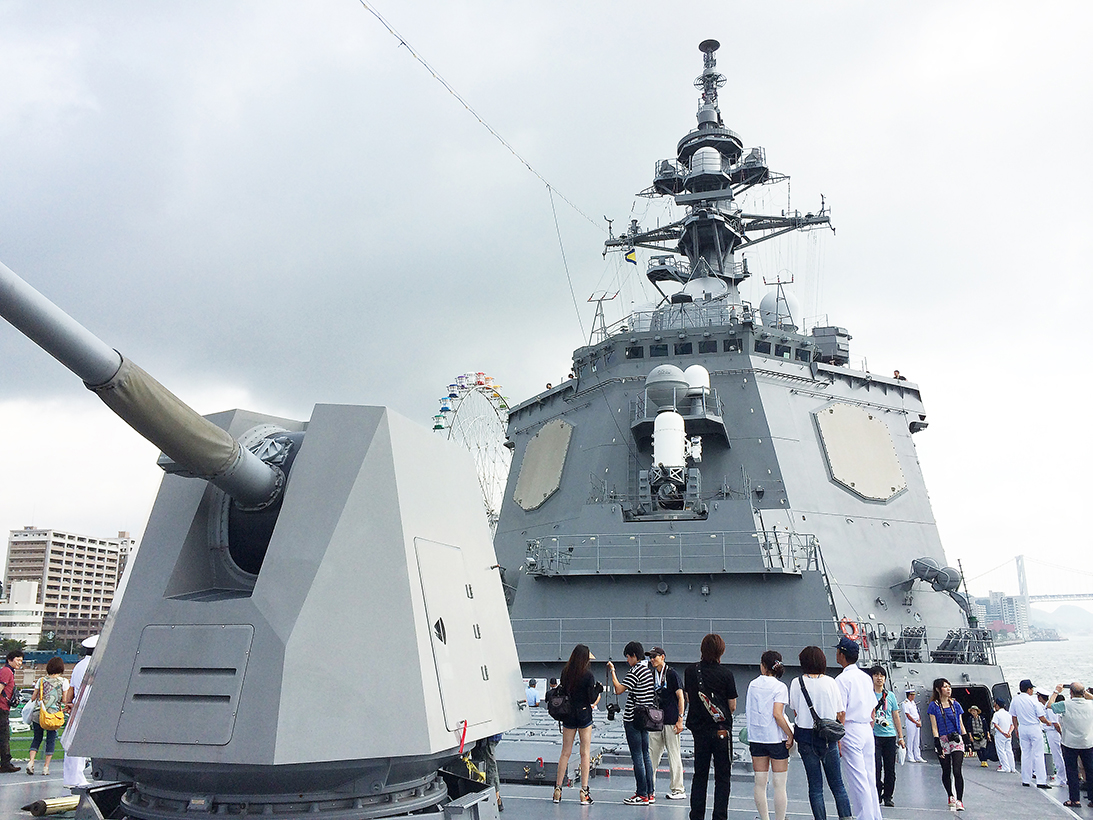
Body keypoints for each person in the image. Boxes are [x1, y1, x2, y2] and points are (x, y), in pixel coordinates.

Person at [787, 645, 852, 820]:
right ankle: (846, 817)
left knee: (815, 787)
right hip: (828, 737)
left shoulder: (796, 682)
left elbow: (795, 710)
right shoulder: (831, 682)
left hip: (805, 737)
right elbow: (840, 713)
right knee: (838, 785)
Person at [684, 633, 738, 820]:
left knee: (700, 775)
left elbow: (689, 698)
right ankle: (719, 816)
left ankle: (696, 815)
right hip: (721, 731)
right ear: (721, 651)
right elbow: (732, 705)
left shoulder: (690, 671)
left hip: (699, 731)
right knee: (723, 777)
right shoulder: (727, 674)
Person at [833, 636, 881, 820]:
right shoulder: (866, 678)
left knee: (857, 779)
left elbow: (841, 712)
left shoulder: (841, 679)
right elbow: (872, 708)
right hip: (866, 728)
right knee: (869, 777)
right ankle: (875, 816)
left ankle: (864, 817)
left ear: (842, 654)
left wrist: (838, 738)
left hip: (850, 729)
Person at [552, 644, 602, 805]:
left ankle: (557, 790)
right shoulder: (588, 675)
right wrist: (598, 689)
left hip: (568, 714)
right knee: (584, 753)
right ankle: (584, 792)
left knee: (565, 752)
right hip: (584, 714)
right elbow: (591, 699)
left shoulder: (565, 672)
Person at [608, 641, 656, 805]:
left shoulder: (635, 671)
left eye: (628, 657)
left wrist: (613, 671)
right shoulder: (648, 671)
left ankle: (641, 794)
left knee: (637, 757)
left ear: (634, 656)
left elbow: (619, 689)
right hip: (645, 719)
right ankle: (650, 792)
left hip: (633, 719)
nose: (628, 661)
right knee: (646, 755)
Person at [747, 650, 793, 820]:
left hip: (756, 738)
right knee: (779, 784)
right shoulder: (780, 687)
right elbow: (777, 715)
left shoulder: (752, 685)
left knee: (760, 782)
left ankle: (764, 818)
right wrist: (790, 734)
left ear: (763, 666)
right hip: (776, 739)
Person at [646, 647, 686, 801]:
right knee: (651, 756)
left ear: (662, 657)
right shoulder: (651, 674)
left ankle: (678, 789)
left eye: (654, 656)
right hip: (655, 720)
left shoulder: (671, 674)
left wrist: (680, 719)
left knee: (674, 755)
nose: (652, 659)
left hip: (671, 720)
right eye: (650, 657)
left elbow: (681, 697)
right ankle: (649, 789)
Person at [1047, 681, 1093, 808]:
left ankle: (1074, 800)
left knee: (1072, 771)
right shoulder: (1090, 704)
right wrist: (1086, 694)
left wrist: (1056, 691)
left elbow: (1050, 705)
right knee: (1090, 771)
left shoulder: (1065, 704)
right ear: (1083, 693)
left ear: (1070, 692)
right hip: (1088, 743)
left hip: (1070, 743)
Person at [927, 677, 969, 811]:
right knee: (946, 770)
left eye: (949, 686)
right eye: (945, 687)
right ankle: (950, 794)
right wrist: (937, 743)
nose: (948, 689)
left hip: (956, 739)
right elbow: (934, 726)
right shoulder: (933, 706)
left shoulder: (955, 704)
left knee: (957, 770)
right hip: (943, 740)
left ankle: (959, 800)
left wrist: (966, 740)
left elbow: (960, 723)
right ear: (938, 689)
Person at [62, 634, 97, 789]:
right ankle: (77, 778)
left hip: (77, 706)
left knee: (73, 742)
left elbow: (71, 689)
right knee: (81, 743)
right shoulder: (95, 665)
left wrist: (68, 704)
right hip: (88, 707)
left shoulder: (78, 665)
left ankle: (71, 778)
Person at [27, 656, 68, 776]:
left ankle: (31, 761)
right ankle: (46, 767)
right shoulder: (64, 681)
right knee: (51, 739)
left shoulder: (41, 680)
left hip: (39, 714)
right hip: (53, 715)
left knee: (37, 738)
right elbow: (64, 700)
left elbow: (33, 697)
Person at [870, 666, 904, 808]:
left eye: (882, 675)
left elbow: (895, 715)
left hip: (889, 736)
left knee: (890, 769)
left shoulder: (890, 696)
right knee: (876, 767)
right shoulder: (868, 695)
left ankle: (888, 796)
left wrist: (900, 737)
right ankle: (877, 793)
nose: (879, 678)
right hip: (874, 736)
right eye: (876, 675)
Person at [1011, 678, 1051, 788]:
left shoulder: (1015, 700)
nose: (1032, 691)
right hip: (1034, 728)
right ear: (1028, 689)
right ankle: (1041, 781)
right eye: (1032, 689)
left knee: (1025, 754)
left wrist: (1016, 729)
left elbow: (1014, 716)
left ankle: (1026, 779)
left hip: (1022, 728)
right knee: (1038, 754)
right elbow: (1041, 717)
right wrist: (1048, 722)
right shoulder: (1033, 701)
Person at [0, 649, 23, 773]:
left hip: (4, 708)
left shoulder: (8, 671)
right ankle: (5, 764)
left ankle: (5, 763)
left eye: (21, 661)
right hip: (1, 708)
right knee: (4, 736)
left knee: (4, 736)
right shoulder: (6, 671)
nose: (20, 663)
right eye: (18, 660)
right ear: (10, 660)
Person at [1039, 689, 1066, 787]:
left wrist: (1061, 734)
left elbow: (1055, 724)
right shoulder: (1046, 706)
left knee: (1057, 756)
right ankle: (1062, 777)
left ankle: (1061, 779)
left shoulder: (1049, 708)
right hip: (1052, 732)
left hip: (1054, 733)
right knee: (1058, 755)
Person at [991, 698, 1016, 773]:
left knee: (1001, 751)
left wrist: (1003, 732)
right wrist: (1009, 732)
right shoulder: (1008, 714)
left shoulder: (997, 714)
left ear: (997, 705)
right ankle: (1012, 767)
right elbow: (1012, 725)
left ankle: (1005, 767)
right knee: (1009, 750)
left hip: (1000, 735)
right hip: (1008, 735)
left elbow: (995, 724)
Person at [901, 690, 925, 762]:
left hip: (916, 722)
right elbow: (908, 715)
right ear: (909, 695)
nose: (914, 696)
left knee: (917, 740)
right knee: (911, 740)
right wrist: (915, 722)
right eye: (913, 695)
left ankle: (917, 756)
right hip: (911, 722)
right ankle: (910, 756)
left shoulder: (913, 703)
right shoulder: (905, 703)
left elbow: (917, 713)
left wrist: (919, 721)